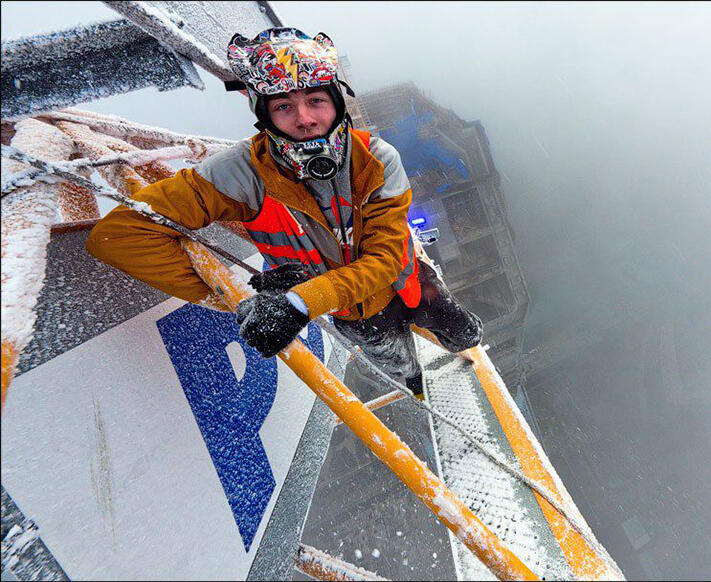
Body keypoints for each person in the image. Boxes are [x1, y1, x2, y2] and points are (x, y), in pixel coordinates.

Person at [86, 27, 483, 397]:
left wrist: (298, 304)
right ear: (265, 115)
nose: (305, 118)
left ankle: (460, 338)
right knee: (401, 370)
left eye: (315, 100)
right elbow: (118, 237)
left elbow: (383, 260)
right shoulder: (242, 172)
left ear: (336, 103)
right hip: (350, 311)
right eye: (284, 106)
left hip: (408, 282)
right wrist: (244, 302)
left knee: (463, 333)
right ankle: (416, 386)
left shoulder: (377, 160)